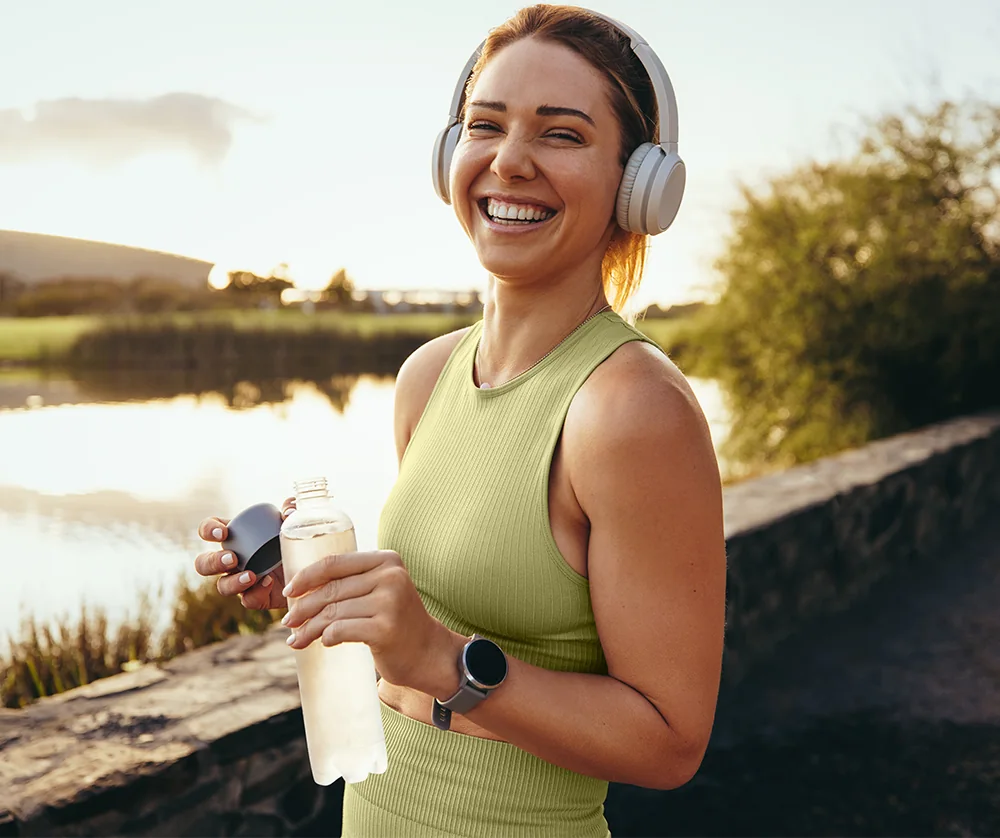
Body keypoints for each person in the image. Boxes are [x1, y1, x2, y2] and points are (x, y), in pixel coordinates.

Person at [195, 5, 726, 836]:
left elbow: (669, 743)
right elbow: (437, 614)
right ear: (452, 156)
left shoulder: (632, 409)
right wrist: (326, 592)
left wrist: (443, 662)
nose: (509, 162)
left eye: (561, 135)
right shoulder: (427, 376)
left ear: (638, 183)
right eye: (486, 125)